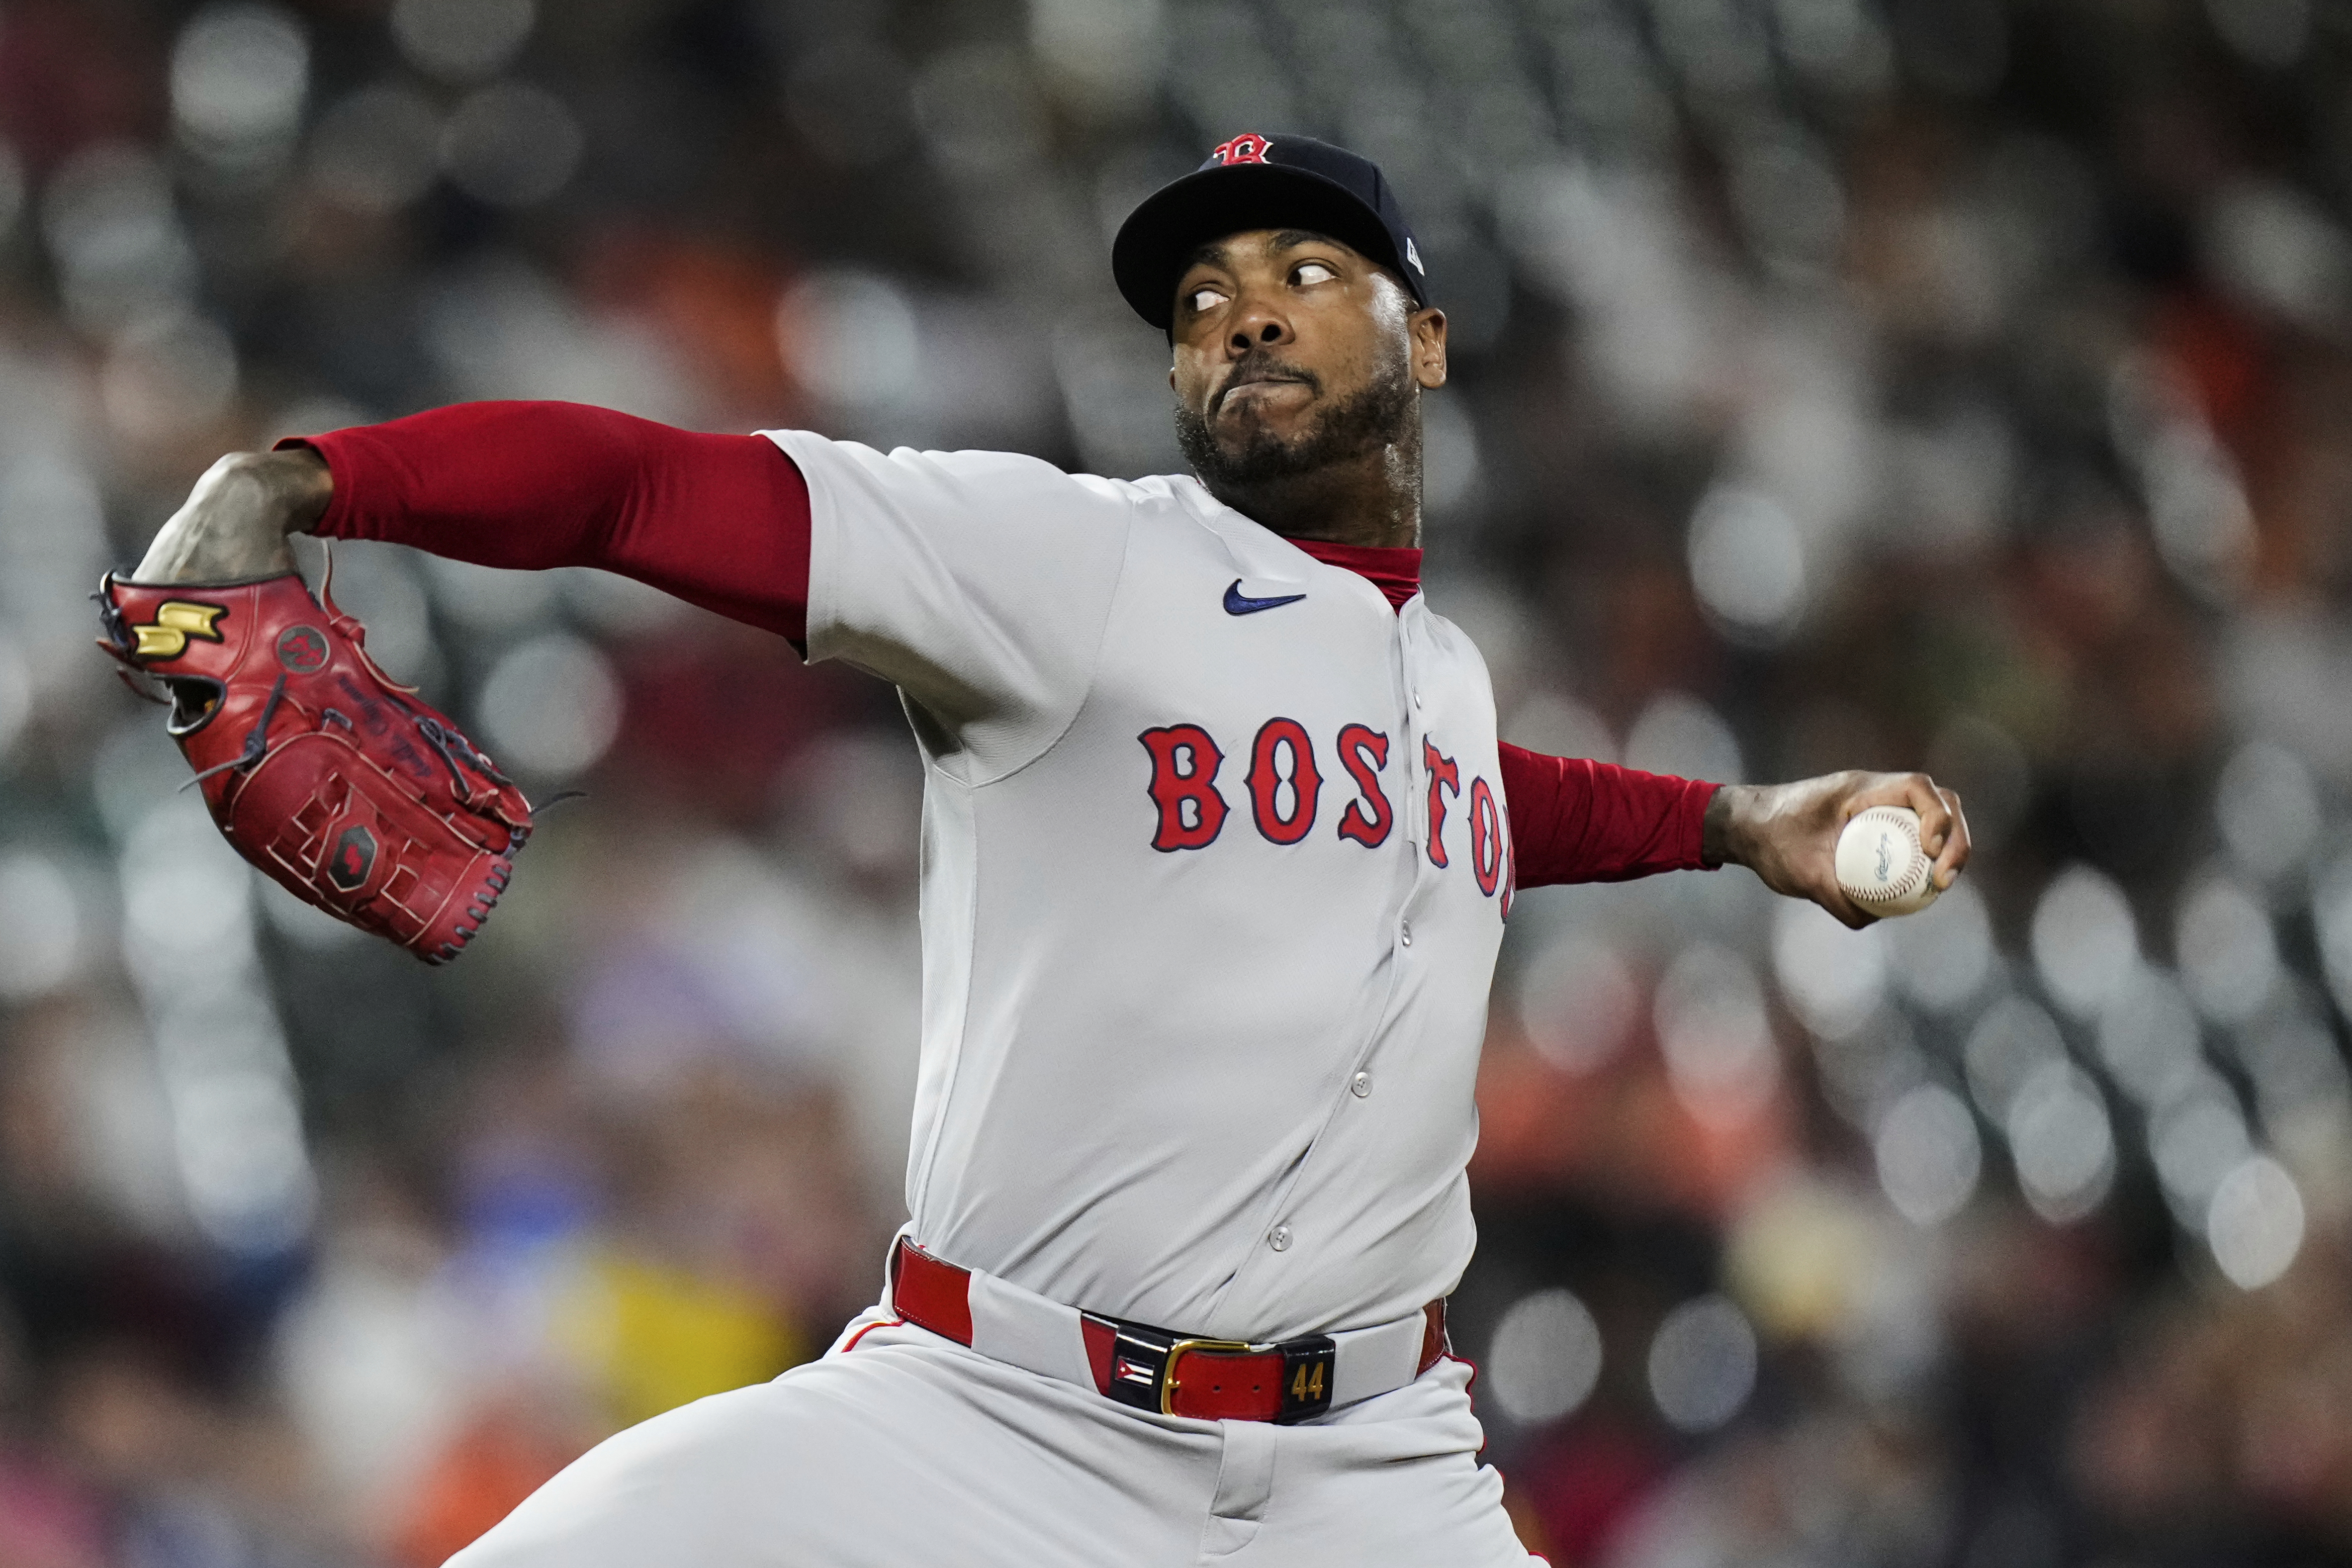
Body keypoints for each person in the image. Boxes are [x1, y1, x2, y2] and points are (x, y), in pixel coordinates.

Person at [130, 134, 1967, 1566]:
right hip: (991, 1427)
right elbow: (643, 486)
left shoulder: (1447, 677)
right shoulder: (1072, 564)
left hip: (1375, 1473)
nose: (1239, 311)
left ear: (1422, 339)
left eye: (1302, 274)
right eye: (1201, 297)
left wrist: (1736, 825)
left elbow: (1476, 809)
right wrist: (304, 481)